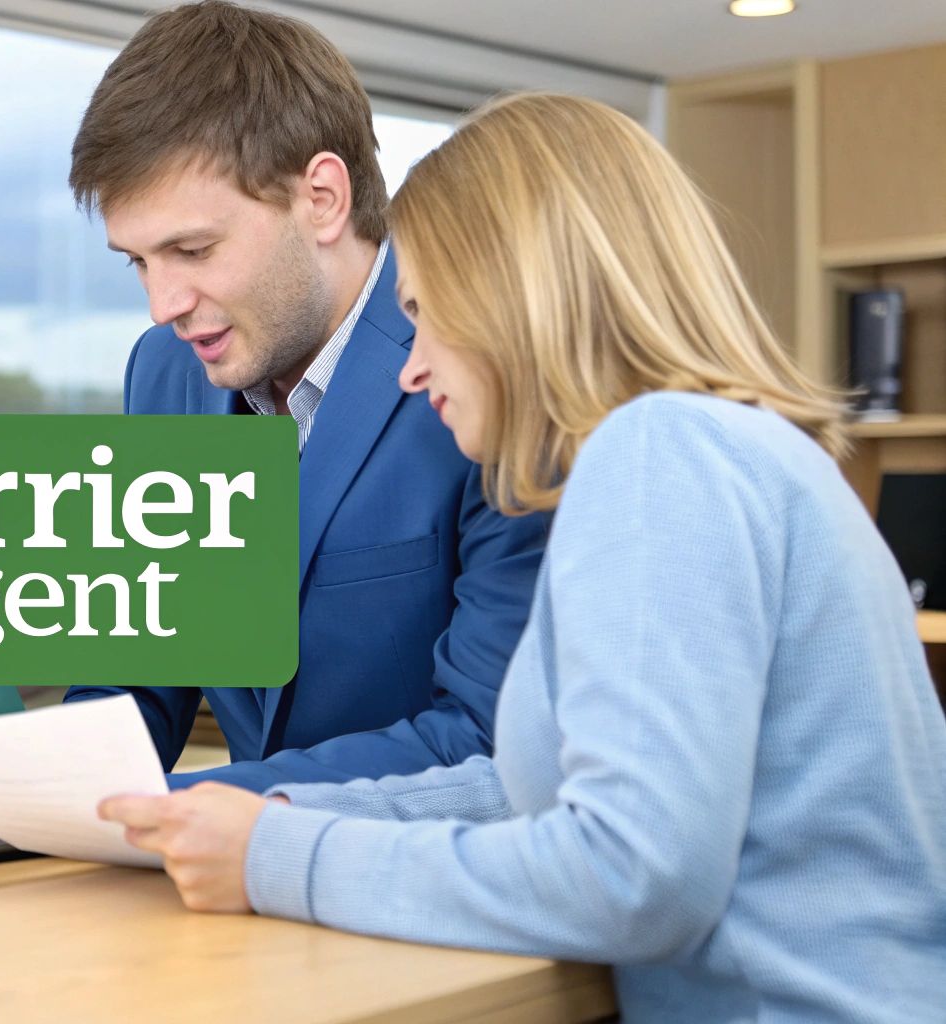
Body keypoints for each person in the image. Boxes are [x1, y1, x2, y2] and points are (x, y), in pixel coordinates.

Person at [100, 93, 946, 1020]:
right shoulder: (706, 452)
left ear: (522, 294)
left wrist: (278, 858)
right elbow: (522, 789)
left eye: (424, 313)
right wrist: (273, 818)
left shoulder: (658, 456)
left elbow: (635, 878)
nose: (410, 366)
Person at [62, 1, 549, 790]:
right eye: (139, 262)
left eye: (192, 249)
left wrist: (189, 805)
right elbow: (139, 671)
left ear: (321, 198)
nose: (163, 304)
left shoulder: (484, 363)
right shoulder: (163, 371)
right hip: (230, 890)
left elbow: (489, 739)